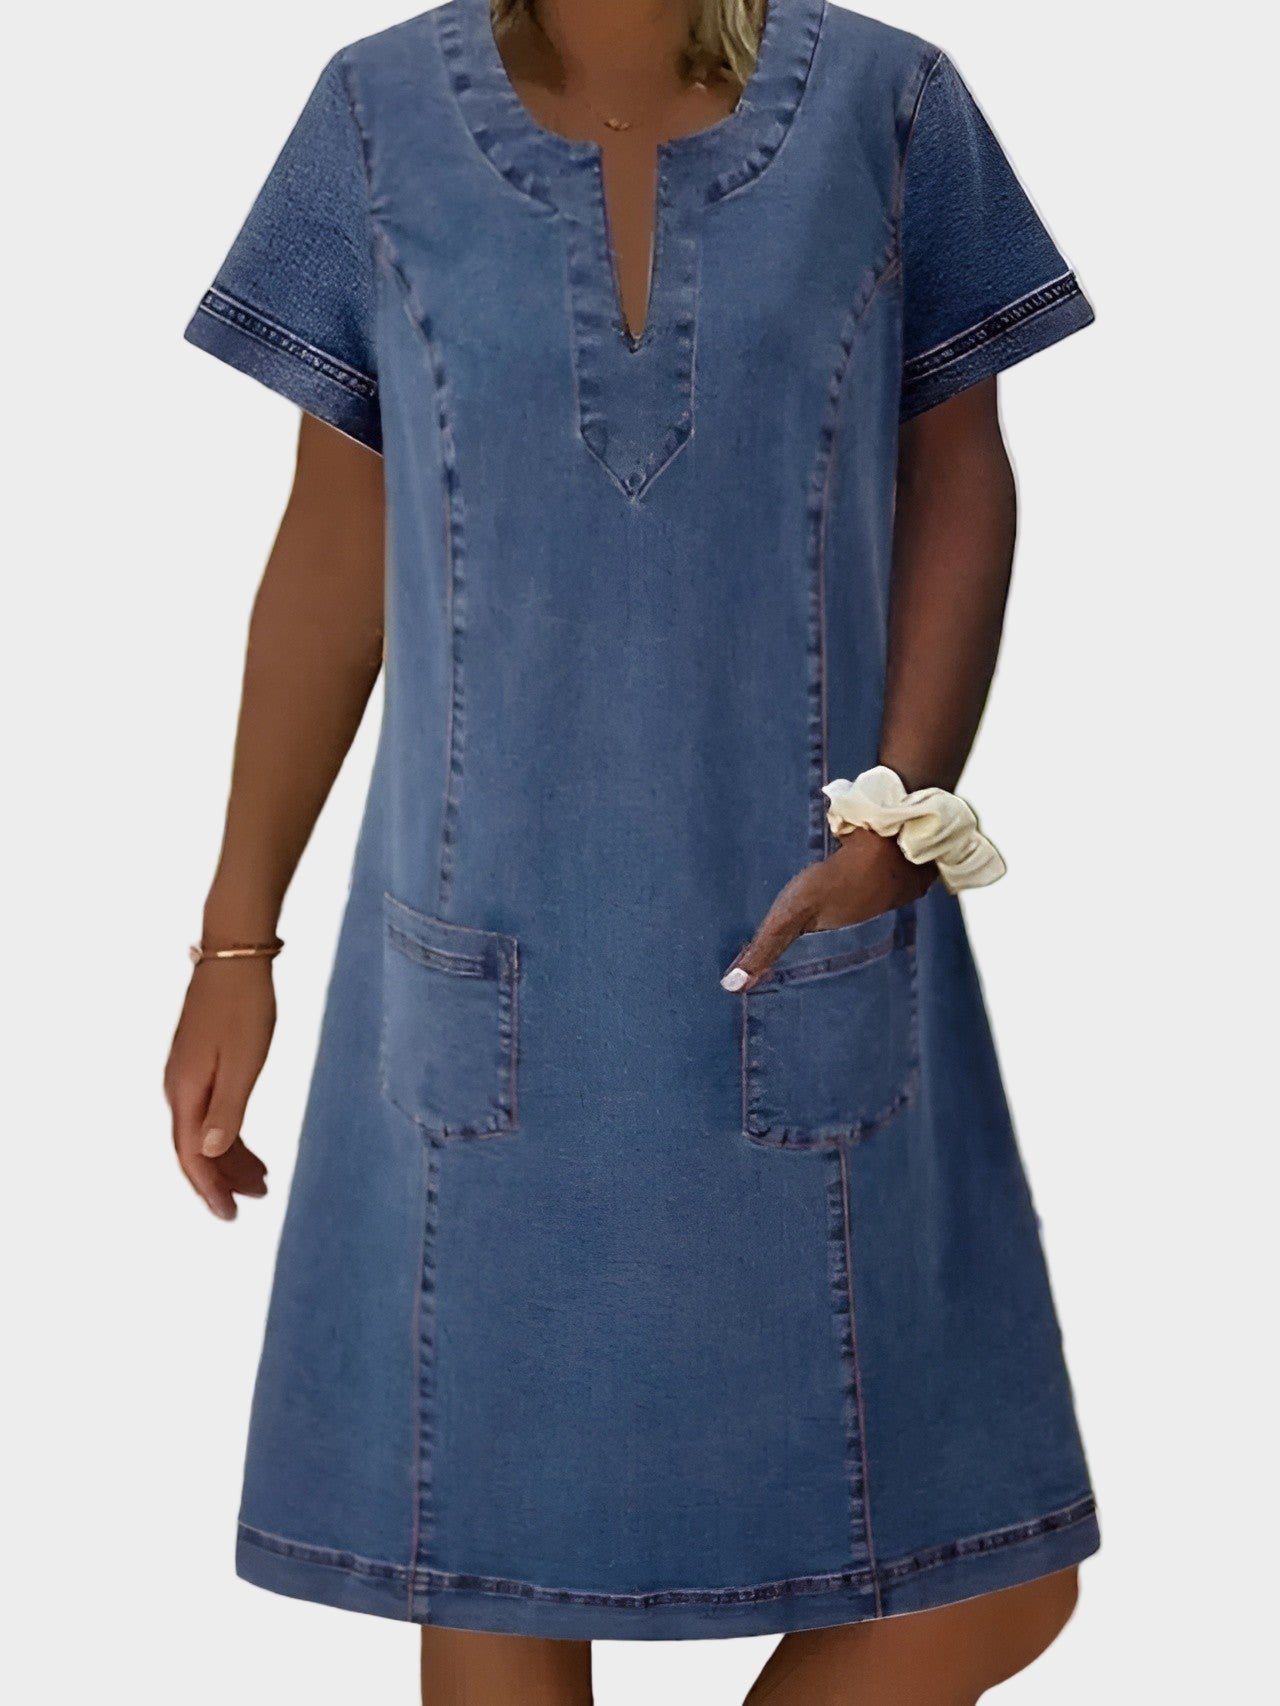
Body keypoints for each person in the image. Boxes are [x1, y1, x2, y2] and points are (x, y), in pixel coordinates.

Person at [165, 2, 1100, 1701]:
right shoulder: (375, 116)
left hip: (805, 929)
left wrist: (902, 809)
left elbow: (962, 470)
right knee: (499, 1564)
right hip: (485, 955)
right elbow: (336, 538)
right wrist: (237, 940)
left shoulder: (891, 107)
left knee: (989, 1571)